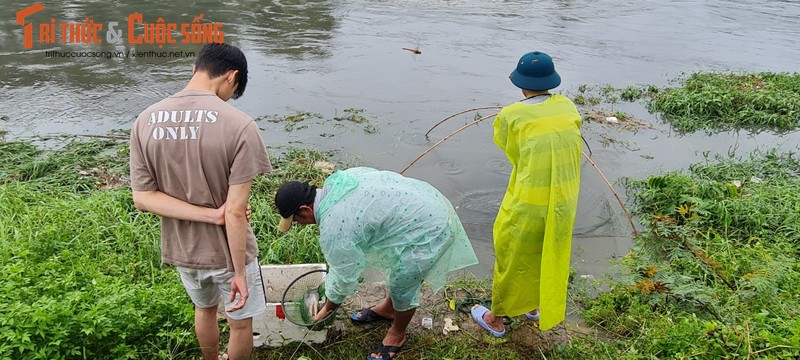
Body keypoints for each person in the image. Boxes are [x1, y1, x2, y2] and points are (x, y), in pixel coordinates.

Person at [129, 43, 272, 360]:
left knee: (204, 310)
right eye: (232, 91)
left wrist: (208, 215)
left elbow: (143, 198)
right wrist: (238, 272)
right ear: (231, 76)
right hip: (228, 252)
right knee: (239, 323)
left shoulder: (145, 120)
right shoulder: (240, 125)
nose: (227, 98)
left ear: (196, 69)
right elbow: (234, 212)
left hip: (183, 249)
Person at [275, 167, 478, 360]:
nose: (298, 225)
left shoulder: (334, 226)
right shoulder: (338, 181)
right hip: (426, 203)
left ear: (304, 209)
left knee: (403, 282)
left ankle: (397, 334)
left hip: (429, 227)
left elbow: (345, 275)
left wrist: (327, 308)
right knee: (397, 266)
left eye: (295, 221)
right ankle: (389, 309)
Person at [471, 51, 582, 337]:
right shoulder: (568, 107)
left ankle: (496, 318)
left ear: (521, 84)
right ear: (551, 81)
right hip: (564, 201)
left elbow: (510, 148)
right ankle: (533, 306)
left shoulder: (512, 113)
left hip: (528, 202)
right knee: (548, 250)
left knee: (512, 252)